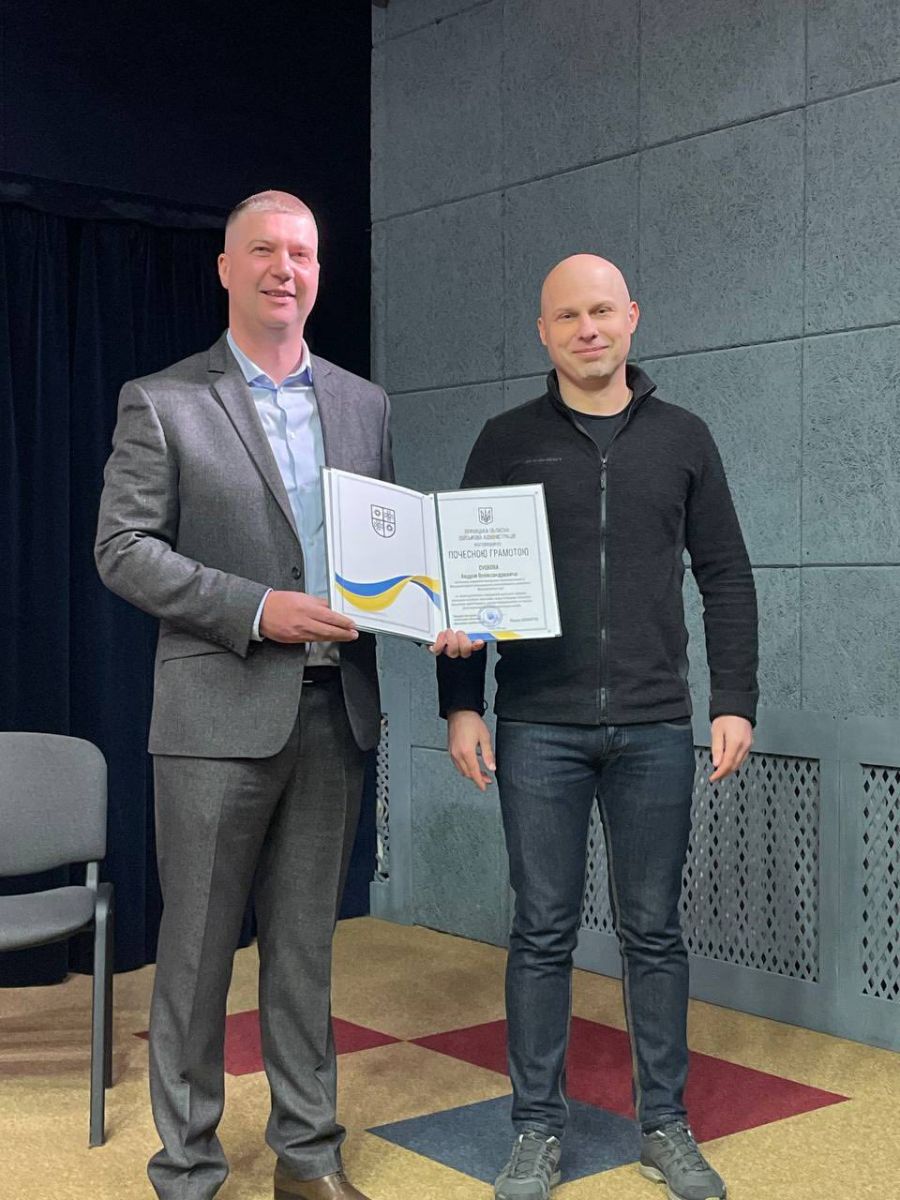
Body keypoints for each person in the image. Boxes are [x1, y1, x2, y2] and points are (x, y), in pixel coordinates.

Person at [433, 254, 758, 1200]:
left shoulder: (685, 438)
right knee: (542, 931)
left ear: (632, 318)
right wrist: (460, 702)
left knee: (654, 932)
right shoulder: (505, 440)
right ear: (543, 331)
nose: (588, 329)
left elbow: (726, 575)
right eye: (568, 315)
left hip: (655, 726)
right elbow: (461, 579)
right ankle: (536, 1129)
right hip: (538, 722)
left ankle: (665, 1126)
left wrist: (734, 698)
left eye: (602, 311)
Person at [96, 191, 392, 1200]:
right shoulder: (164, 400)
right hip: (215, 715)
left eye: (301, 252)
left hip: (336, 712)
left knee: (305, 953)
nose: (284, 268)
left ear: (319, 272)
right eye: (263, 250)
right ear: (226, 268)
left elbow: (384, 551)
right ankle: (187, 1166)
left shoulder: (364, 405)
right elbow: (122, 549)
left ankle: (308, 1158)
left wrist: (436, 603)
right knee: (196, 954)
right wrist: (258, 609)